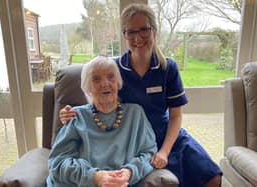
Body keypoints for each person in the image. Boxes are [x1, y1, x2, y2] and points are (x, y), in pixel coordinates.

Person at [59, 3, 222, 187]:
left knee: (212, 177)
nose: (138, 38)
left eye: (144, 30)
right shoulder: (115, 69)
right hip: (133, 140)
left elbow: (176, 116)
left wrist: (164, 152)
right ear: (124, 35)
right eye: (131, 32)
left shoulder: (168, 68)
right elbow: (97, 94)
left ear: (154, 31)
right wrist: (69, 113)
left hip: (166, 136)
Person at [47, 56, 157, 187]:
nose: (105, 84)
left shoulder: (135, 114)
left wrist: (130, 172)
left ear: (118, 83)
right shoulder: (75, 116)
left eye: (111, 77)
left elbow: (149, 153)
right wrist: (94, 177)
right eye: (96, 79)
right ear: (87, 87)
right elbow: (58, 162)